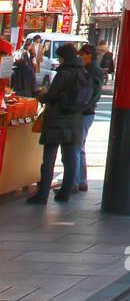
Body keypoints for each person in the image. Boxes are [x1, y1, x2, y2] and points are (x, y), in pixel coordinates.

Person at [26, 43, 90, 205]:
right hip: (75, 119)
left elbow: (51, 96)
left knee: (48, 160)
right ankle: (65, 192)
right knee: (69, 159)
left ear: (63, 57)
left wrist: (41, 95)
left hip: (57, 119)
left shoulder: (64, 73)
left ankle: (42, 195)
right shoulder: (83, 72)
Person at [73, 43, 103, 193]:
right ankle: (80, 180)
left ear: (89, 55)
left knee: (77, 147)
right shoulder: (89, 69)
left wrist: (81, 107)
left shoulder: (92, 70)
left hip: (84, 112)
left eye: (82, 54)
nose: (80, 57)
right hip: (86, 111)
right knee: (80, 147)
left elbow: (94, 93)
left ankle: (76, 181)